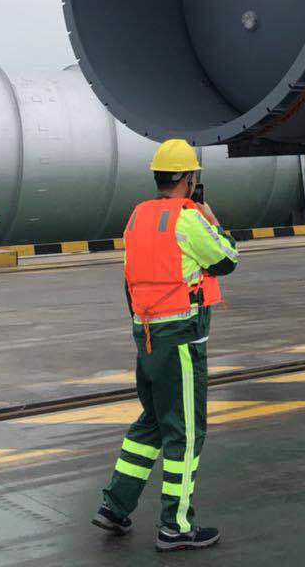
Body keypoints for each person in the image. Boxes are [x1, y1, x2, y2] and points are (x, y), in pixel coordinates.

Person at [94, 139, 239, 552]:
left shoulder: (137, 217)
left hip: (147, 335)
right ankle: (175, 526)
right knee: (185, 432)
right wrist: (214, 221)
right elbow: (227, 259)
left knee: (153, 422)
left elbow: (131, 278)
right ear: (189, 179)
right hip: (181, 340)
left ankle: (115, 506)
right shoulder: (188, 219)